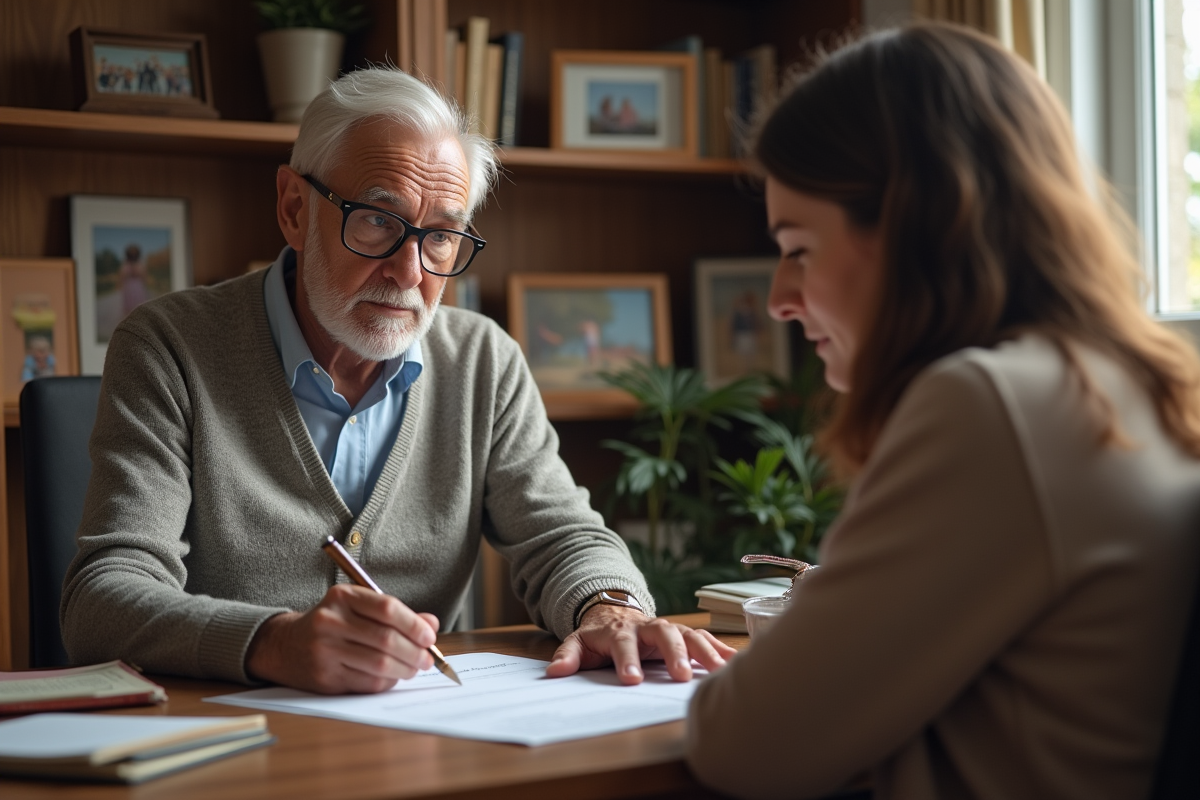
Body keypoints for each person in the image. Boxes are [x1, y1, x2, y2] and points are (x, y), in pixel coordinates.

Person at [61, 66, 733, 695]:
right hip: (230, 748)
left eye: (441, 236)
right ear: (294, 208)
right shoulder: (169, 347)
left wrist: (607, 608)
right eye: (379, 221)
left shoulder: (483, 360)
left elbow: (562, 536)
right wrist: (270, 642)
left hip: (423, 740)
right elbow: (102, 597)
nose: (410, 273)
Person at [686, 23, 1200, 800]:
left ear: (912, 228)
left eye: (798, 248)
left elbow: (744, 744)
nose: (779, 301)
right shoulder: (1130, 385)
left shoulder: (996, 407)